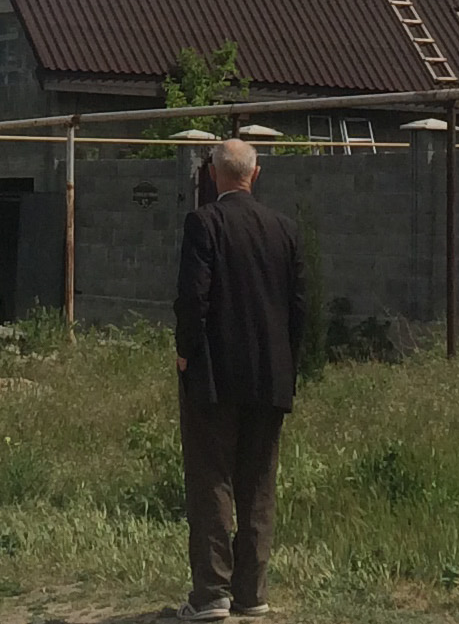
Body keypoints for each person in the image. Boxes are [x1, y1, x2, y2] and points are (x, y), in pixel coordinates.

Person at [169, 137, 305, 622]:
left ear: (212, 174)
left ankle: (211, 595)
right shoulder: (284, 229)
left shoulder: (203, 223)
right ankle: (251, 593)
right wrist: (290, 366)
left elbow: (193, 298)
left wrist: (185, 353)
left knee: (212, 480)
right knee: (258, 482)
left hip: (213, 378)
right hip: (271, 378)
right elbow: (298, 309)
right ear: (256, 173)